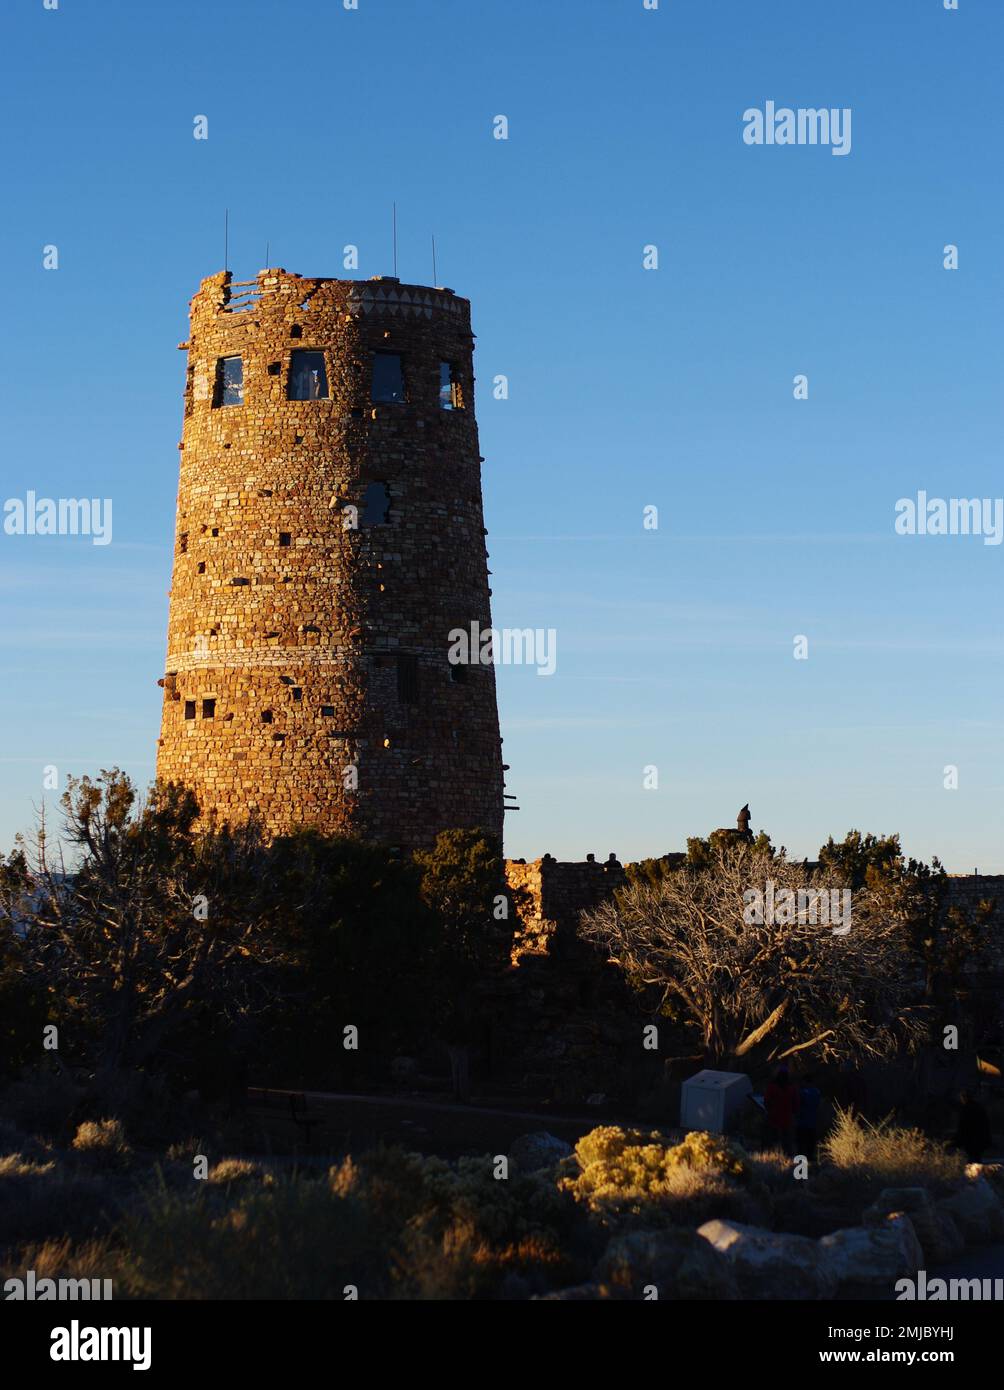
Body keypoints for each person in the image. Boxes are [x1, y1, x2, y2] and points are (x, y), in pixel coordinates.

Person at [764, 1066, 799, 1154]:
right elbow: (796, 1102)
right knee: (786, 1137)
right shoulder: (791, 1087)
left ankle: (772, 1153)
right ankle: (786, 1153)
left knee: (773, 1137)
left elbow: (766, 1100)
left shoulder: (772, 1086)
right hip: (787, 1116)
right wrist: (794, 1112)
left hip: (774, 1116)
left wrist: (769, 1110)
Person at [954, 1089, 992, 1163]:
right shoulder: (979, 1107)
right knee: (977, 1159)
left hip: (971, 1140)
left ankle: (973, 1173)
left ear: (964, 1098)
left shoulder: (966, 1109)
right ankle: (978, 1173)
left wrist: (958, 1140)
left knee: (971, 1160)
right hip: (980, 1139)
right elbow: (986, 1124)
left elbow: (963, 1126)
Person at [795, 1072, 823, 1162]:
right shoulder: (817, 1092)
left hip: (802, 1122)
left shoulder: (802, 1092)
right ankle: (811, 1160)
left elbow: (797, 1105)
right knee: (811, 1144)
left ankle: (801, 1164)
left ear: (805, 1081)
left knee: (801, 1145)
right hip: (813, 1122)